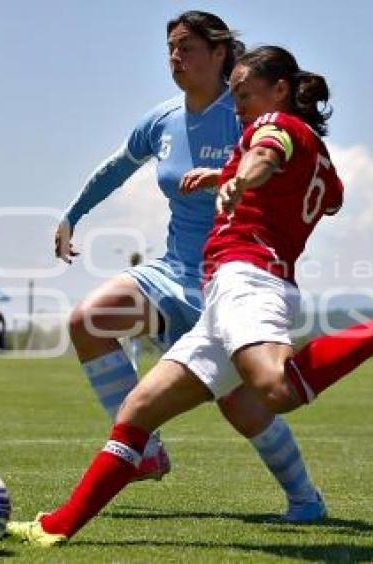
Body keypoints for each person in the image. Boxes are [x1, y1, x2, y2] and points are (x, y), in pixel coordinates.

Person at [6, 45, 373, 546]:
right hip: (229, 294)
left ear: (279, 90)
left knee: (275, 389)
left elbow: (266, 153)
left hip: (248, 280)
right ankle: (54, 528)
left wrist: (239, 180)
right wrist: (226, 176)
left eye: (244, 94)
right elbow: (327, 199)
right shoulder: (319, 156)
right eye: (233, 97)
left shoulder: (274, 126)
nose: (237, 107)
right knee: (137, 412)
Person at [53, 11, 325, 522]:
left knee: (244, 409)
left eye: (187, 48)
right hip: (172, 271)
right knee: (87, 320)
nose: (175, 58)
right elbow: (117, 166)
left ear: (221, 53)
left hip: (231, 280)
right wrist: (73, 213)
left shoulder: (247, 111)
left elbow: (287, 161)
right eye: (170, 49)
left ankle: (305, 498)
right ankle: (145, 450)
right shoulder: (162, 120)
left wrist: (236, 177)